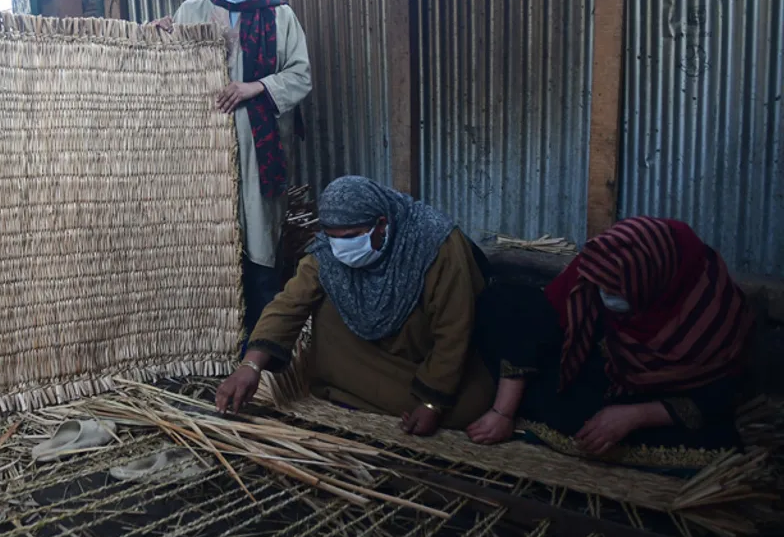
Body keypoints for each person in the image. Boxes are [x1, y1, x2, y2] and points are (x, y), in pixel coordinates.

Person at [215, 176, 495, 437]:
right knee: (324, 309)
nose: (341, 247)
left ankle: (351, 391)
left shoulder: (437, 244)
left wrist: (433, 403)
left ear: (382, 225)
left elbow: (454, 329)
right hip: (363, 350)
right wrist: (250, 365)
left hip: (421, 352)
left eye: (351, 236)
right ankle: (356, 388)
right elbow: (290, 302)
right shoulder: (328, 250)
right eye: (332, 236)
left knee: (469, 404)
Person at [468, 216, 754, 459]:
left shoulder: (708, 311)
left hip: (657, 395)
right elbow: (541, 320)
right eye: (602, 287)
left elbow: (722, 393)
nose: (606, 297)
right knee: (500, 305)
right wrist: (503, 412)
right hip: (598, 367)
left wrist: (633, 416)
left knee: (712, 433)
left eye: (617, 292)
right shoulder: (599, 266)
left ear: (652, 283)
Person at [152, 0, 312, 349]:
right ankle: (211, 341)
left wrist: (254, 87)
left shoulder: (279, 14)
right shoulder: (191, 12)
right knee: (210, 234)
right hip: (202, 150)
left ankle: (260, 345)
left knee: (260, 238)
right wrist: (154, 38)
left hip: (261, 150)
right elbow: (168, 70)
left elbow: (300, 75)